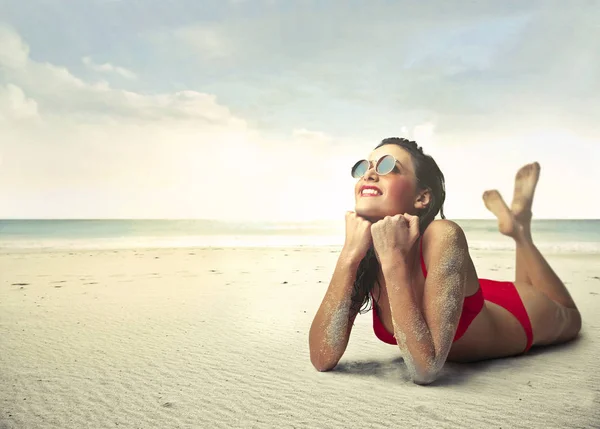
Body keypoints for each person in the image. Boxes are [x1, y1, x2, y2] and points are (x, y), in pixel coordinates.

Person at [308, 137, 582, 385]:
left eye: (387, 166)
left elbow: (425, 370)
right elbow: (321, 358)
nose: (369, 173)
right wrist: (348, 256)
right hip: (455, 291)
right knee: (523, 280)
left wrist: (393, 261)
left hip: (521, 314)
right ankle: (518, 226)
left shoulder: (443, 234)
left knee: (571, 317)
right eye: (364, 166)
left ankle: (520, 231)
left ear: (422, 197)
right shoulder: (365, 251)